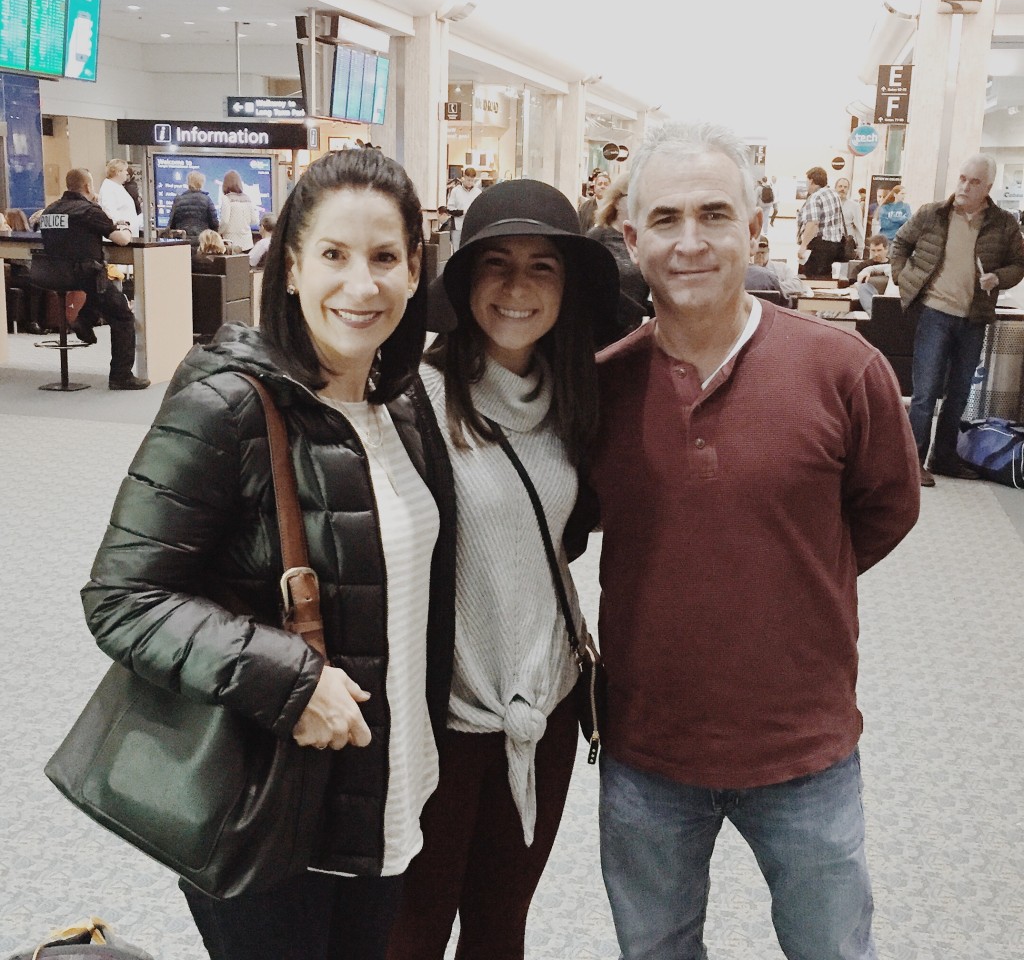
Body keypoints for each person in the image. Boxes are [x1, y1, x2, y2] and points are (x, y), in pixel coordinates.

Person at [79, 149, 457, 960]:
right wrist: (292, 681)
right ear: (290, 268)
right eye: (334, 255)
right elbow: (122, 597)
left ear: (415, 269)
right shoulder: (227, 403)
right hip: (266, 803)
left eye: (385, 258)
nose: (362, 286)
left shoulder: (404, 403)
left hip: (382, 792)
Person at [591, 121, 920, 960]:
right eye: (665, 220)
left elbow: (885, 509)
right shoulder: (600, 388)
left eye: (714, 215)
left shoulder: (843, 370)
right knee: (655, 949)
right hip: (648, 748)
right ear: (632, 237)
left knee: (832, 948)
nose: (690, 242)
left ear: (754, 225)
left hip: (803, 746)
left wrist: (794, 572)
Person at [387, 179, 618, 960]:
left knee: (500, 928)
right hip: (442, 724)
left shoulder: (574, 399)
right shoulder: (412, 402)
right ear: (463, 281)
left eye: (542, 266)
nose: (518, 288)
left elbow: (563, 537)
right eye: (497, 264)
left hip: (544, 712)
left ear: (569, 285)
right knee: (413, 932)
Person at [892, 153, 1024, 485]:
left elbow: (1019, 264)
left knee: (960, 394)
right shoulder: (931, 214)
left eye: (974, 182)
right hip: (935, 313)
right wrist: (902, 278)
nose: (965, 186)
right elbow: (900, 244)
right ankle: (913, 462)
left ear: (988, 187)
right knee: (925, 393)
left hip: (973, 318)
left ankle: (944, 458)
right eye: (963, 178)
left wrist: (998, 278)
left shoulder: (1004, 223)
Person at [38, 168, 149, 390]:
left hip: (52, 276)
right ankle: (121, 376)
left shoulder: (49, 211)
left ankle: (83, 321)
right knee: (122, 314)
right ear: (88, 187)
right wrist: (125, 227)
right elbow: (121, 240)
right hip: (85, 274)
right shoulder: (89, 211)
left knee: (100, 296)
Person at [586, 172, 652, 337]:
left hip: (636, 329)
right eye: (632, 197)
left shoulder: (645, 239)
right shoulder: (598, 236)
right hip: (601, 331)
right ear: (616, 202)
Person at [2, 208, 47, 334]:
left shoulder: (14, 240)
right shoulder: (29, 239)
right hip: (16, 273)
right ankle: (33, 321)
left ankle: (34, 321)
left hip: (19, 273)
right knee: (35, 283)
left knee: (35, 283)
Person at [797, 166, 845, 278]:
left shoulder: (815, 197)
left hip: (819, 246)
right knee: (825, 278)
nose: (806, 184)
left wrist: (803, 246)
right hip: (835, 246)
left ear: (812, 181)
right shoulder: (834, 194)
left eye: (807, 181)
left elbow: (813, 223)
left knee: (810, 278)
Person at [168, 171, 219, 243]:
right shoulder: (206, 200)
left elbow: (171, 224)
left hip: (182, 241)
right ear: (201, 183)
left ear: (188, 182)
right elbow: (214, 224)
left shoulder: (178, 199)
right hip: (202, 241)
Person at [97, 158, 141, 237]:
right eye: (125, 170)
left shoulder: (117, 186)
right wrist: (121, 224)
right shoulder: (109, 188)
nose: (127, 173)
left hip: (128, 234)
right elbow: (109, 210)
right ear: (118, 172)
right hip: (121, 235)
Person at [851, 234, 894, 313]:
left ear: (886, 249)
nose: (876, 254)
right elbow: (853, 278)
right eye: (873, 250)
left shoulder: (893, 265)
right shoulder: (864, 265)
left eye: (879, 250)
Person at [218, 169, 259, 250]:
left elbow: (225, 221)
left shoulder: (226, 199)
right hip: (248, 243)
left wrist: (218, 233)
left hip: (232, 242)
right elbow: (254, 220)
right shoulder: (247, 198)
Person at [752, 235, 803, 300]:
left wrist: (772, 286)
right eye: (757, 253)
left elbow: (798, 285)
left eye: (763, 252)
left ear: (768, 251)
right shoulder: (745, 270)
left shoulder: (781, 268)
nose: (760, 256)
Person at [446, 167, 482, 251]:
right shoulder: (456, 191)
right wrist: (463, 212)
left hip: (472, 227)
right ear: (464, 178)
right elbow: (449, 209)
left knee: (471, 250)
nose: (470, 183)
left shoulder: (478, 193)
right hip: (458, 227)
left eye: (472, 181)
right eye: (468, 180)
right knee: (457, 250)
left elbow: (481, 210)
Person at [835, 176, 865, 259]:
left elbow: (859, 227)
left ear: (848, 189)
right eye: (840, 186)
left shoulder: (854, 206)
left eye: (845, 187)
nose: (842, 189)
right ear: (835, 188)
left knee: (845, 269)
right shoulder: (830, 205)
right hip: (831, 243)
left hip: (846, 244)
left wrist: (860, 247)